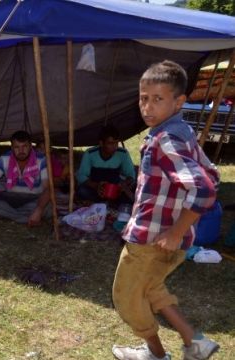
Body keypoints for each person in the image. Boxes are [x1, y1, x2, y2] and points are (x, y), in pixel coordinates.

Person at [111, 60, 220, 360]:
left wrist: (176, 231)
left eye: (158, 99)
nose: (148, 107)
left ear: (179, 101)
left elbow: (204, 189)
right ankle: (194, 341)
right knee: (151, 287)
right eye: (143, 98)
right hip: (167, 239)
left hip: (152, 240)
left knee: (127, 299)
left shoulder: (166, 139)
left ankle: (155, 355)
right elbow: (212, 175)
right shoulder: (181, 131)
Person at [0, 130, 51, 226]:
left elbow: (48, 188)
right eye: (17, 147)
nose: (21, 151)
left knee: (48, 206)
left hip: (34, 199)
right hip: (11, 198)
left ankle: (20, 216)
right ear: (12, 147)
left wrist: (39, 210)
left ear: (31, 146)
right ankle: (27, 218)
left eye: (24, 146)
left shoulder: (41, 160)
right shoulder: (4, 159)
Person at [76, 124, 136, 204]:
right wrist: (96, 186)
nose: (114, 146)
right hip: (96, 189)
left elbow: (131, 174)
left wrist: (125, 184)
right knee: (82, 191)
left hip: (115, 189)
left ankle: (108, 202)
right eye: (110, 143)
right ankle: (108, 203)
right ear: (101, 143)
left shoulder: (123, 153)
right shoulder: (90, 153)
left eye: (116, 143)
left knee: (133, 192)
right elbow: (81, 176)